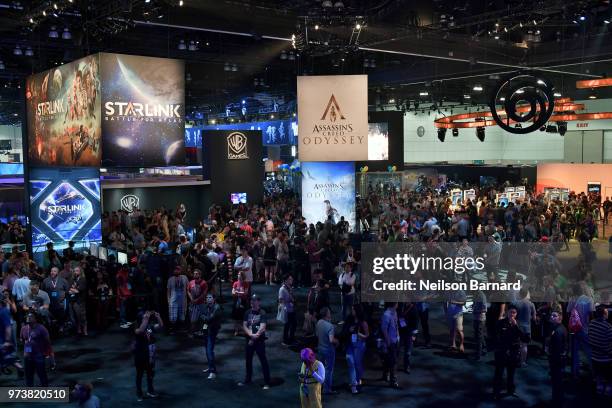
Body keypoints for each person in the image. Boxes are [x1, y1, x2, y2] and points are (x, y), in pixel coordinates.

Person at [238, 294, 271, 389]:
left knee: (263, 361)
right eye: (251, 300)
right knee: (248, 361)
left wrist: (253, 337)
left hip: (259, 341)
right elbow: (244, 325)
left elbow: (263, 327)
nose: (252, 302)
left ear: (258, 302)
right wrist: (250, 334)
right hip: (249, 340)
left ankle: (267, 382)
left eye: (254, 300)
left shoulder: (262, 312)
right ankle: (248, 379)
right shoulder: (247, 312)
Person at [493, 305, 525, 400]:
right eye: (511, 312)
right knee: (499, 373)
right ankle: (496, 392)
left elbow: (525, 338)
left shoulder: (518, 324)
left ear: (516, 314)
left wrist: (516, 327)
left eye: (514, 312)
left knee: (511, 373)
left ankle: (510, 390)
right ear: (507, 312)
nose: (512, 314)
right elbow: (495, 336)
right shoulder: (501, 323)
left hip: (513, 352)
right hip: (502, 352)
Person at [133, 310, 163, 401]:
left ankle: (150, 390)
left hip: (150, 355)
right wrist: (145, 319)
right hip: (140, 355)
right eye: (144, 317)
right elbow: (141, 330)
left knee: (150, 373)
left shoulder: (149, 327)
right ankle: (139, 393)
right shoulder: (136, 328)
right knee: (140, 374)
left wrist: (158, 317)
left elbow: (160, 326)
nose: (146, 318)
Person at [20, 312, 50, 386]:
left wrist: (47, 353)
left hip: (39, 354)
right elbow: (24, 341)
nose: (28, 318)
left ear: (35, 319)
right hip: (28, 356)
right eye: (27, 316)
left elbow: (47, 341)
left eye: (31, 316)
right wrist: (26, 352)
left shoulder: (41, 328)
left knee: (42, 374)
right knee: (29, 376)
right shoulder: (24, 328)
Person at [344, 303, 369, 394]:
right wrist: (349, 330)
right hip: (350, 343)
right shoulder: (349, 319)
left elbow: (367, 335)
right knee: (351, 362)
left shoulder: (363, 322)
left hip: (359, 344)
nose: (352, 311)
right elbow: (345, 329)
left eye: (353, 309)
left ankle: (358, 379)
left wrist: (358, 334)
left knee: (358, 364)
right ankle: (354, 385)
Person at [588, 305, 612, 395]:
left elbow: (590, 337)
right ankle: (608, 389)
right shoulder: (608, 326)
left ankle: (599, 387)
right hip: (606, 357)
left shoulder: (591, 323)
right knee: (609, 375)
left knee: (598, 374)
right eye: (607, 312)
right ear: (604, 314)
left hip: (594, 356)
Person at [316, 306, 338, 395]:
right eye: (329, 312)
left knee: (320, 368)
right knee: (329, 369)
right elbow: (331, 340)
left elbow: (317, 335)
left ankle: (319, 386)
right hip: (328, 350)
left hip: (320, 348)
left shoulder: (319, 322)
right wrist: (337, 341)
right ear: (327, 314)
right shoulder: (330, 326)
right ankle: (327, 389)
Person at [548, 309, 567, 405]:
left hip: (557, 360)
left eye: (554, 316)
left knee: (557, 382)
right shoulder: (556, 328)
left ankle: (557, 402)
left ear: (560, 318)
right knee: (557, 382)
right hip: (557, 359)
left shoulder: (558, 331)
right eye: (551, 315)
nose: (552, 317)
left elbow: (558, 348)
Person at [513, 288, 536, 365]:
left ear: (520, 294)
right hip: (527, 328)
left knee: (517, 344)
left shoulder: (516, 303)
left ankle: (516, 359)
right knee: (524, 345)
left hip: (518, 327)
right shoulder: (531, 304)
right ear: (527, 294)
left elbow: (513, 316)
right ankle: (523, 362)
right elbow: (534, 318)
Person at [41, 267, 69, 331]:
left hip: (60, 303)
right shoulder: (45, 281)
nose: (52, 272)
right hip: (49, 303)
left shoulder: (63, 281)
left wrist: (64, 297)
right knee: (50, 317)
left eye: (54, 271)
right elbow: (42, 291)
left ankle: (61, 326)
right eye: (51, 271)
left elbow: (67, 291)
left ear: (58, 272)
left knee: (61, 316)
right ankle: (51, 328)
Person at [201, 293, 222, 379]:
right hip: (206, 329)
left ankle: (213, 371)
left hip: (212, 330)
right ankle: (210, 367)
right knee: (207, 349)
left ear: (214, 299)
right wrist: (204, 319)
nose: (208, 299)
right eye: (207, 297)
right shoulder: (206, 306)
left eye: (210, 297)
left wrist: (204, 317)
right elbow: (202, 316)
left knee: (209, 350)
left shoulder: (217, 308)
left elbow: (208, 319)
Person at [380, 302, 400, 388]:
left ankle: (385, 375)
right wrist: (388, 342)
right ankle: (393, 381)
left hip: (395, 340)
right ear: (394, 304)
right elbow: (384, 330)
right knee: (393, 361)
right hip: (390, 342)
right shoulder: (386, 315)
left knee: (388, 360)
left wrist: (398, 335)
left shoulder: (395, 312)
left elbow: (396, 325)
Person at [166, 266, 188, 333]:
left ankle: (181, 328)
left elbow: (188, 288)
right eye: (175, 270)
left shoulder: (184, 278)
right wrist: (168, 300)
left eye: (178, 270)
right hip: (173, 299)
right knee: (173, 315)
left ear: (181, 270)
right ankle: (173, 328)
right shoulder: (170, 279)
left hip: (182, 299)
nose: (177, 271)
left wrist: (187, 298)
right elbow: (168, 291)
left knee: (182, 314)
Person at [398, 302, 418, 373]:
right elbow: (399, 316)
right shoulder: (401, 306)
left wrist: (414, 335)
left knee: (408, 352)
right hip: (401, 331)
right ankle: (395, 366)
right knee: (398, 350)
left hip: (409, 332)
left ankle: (406, 366)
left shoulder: (414, 308)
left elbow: (416, 322)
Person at [68, 266, 88, 336]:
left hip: (80, 300)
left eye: (77, 271)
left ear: (80, 271)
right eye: (74, 271)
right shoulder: (72, 279)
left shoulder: (83, 279)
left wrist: (74, 290)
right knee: (76, 316)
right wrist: (73, 290)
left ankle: (85, 329)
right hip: (73, 300)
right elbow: (69, 289)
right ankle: (79, 328)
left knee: (82, 315)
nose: (75, 272)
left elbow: (79, 290)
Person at [187, 269, 208, 334]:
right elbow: (188, 291)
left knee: (204, 319)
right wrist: (191, 299)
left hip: (201, 303)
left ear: (200, 275)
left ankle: (205, 330)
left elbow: (204, 293)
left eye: (196, 274)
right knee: (193, 320)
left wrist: (197, 299)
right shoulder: (191, 282)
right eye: (194, 273)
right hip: (193, 304)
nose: (195, 275)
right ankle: (192, 332)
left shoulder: (203, 283)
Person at [278, 274, 296, 346]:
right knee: (287, 325)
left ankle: (291, 338)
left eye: (291, 279)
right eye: (289, 279)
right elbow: (280, 300)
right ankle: (285, 340)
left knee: (293, 324)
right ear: (285, 280)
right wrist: (286, 304)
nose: (291, 280)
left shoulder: (289, 287)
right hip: (287, 309)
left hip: (291, 308)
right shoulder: (282, 289)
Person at [232, 272, 249, 336]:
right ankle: (236, 330)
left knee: (243, 317)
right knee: (236, 317)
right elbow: (233, 292)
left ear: (242, 276)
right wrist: (239, 293)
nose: (238, 275)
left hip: (243, 301)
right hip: (236, 301)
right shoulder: (235, 283)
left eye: (239, 274)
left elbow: (246, 293)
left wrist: (238, 292)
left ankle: (245, 330)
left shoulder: (246, 283)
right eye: (238, 274)